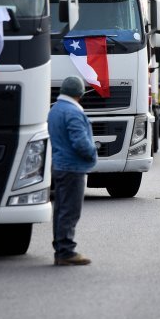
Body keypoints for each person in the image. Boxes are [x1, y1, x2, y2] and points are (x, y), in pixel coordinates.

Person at [47, 76, 98, 266]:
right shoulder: (72, 112)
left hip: (59, 165)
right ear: (79, 93)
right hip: (72, 167)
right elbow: (80, 142)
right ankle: (66, 252)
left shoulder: (55, 110)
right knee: (70, 211)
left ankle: (60, 249)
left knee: (61, 209)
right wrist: (92, 154)